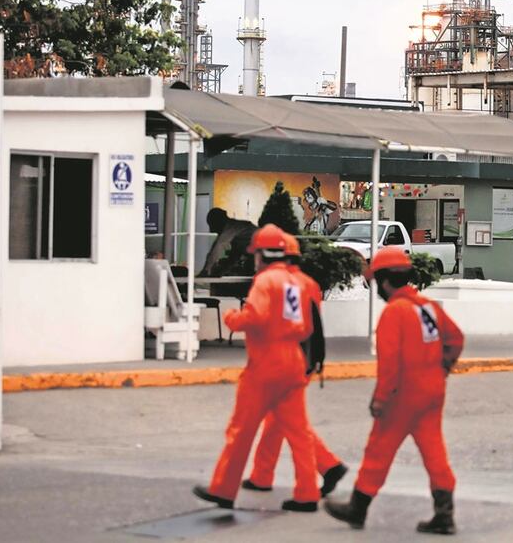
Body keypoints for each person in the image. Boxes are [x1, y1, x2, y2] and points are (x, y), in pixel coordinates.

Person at [324, 246, 465, 535]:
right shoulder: (428, 306)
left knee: (379, 448)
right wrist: (442, 369)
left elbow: (389, 367)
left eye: (376, 282)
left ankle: (358, 507)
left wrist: (379, 401)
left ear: (386, 280)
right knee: (434, 450)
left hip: (403, 396)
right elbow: (456, 339)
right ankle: (444, 514)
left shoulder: (394, 313)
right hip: (433, 390)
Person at [192, 224, 320, 512]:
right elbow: (311, 325)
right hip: (294, 361)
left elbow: (256, 317)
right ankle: (308, 492)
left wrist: (232, 318)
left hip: (266, 363)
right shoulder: (299, 283)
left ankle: (224, 489)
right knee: (299, 432)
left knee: (241, 430)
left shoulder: (265, 281)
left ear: (262, 254)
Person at [241, 232, 349, 498]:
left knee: (288, 422)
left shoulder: (272, 281)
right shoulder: (307, 283)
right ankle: (263, 475)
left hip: (286, 360)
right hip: (305, 357)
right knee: (277, 421)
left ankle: (328, 466)